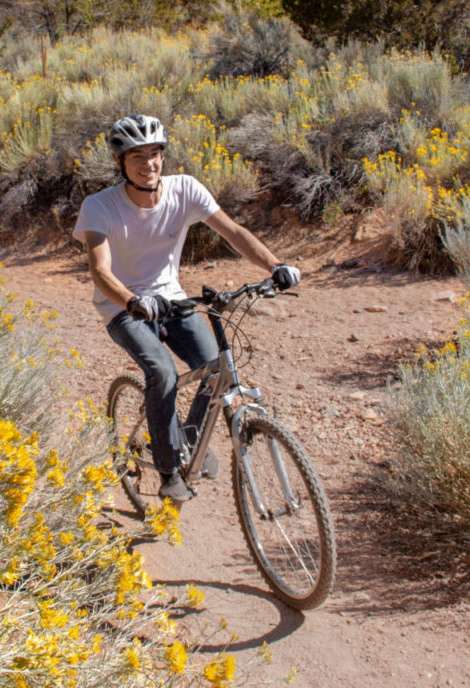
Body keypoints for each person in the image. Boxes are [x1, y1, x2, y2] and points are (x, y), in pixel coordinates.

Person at [73, 114, 301, 503]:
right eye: (137, 157)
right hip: (123, 307)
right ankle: (167, 470)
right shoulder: (100, 207)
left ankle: (188, 442)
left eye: (156, 154)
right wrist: (132, 300)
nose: (149, 164)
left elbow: (233, 232)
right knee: (162, 372)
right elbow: (99, 271)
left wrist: (274, 266)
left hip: (172, 301)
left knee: (216, 369)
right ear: (120, 163)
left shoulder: (185, 189)